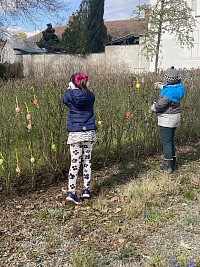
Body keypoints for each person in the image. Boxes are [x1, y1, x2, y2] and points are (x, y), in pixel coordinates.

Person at [63, 73, 97, 204]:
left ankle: (71, 192)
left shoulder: (70, 95)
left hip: (75, 134)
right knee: (87, 162)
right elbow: (87, 95)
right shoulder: (91, 96)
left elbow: (65, 100)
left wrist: (70, 89)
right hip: (88, 133)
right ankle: (86, 190)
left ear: (72, 84)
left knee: (75, 163)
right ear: (86, 83)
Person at [150, 66, 186, 174]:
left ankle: (167, 166)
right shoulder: (178, 88)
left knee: (166, 142)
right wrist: (159, 85)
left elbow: (160, 105)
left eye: (165, 79)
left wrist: (152, 107)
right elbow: (169, 88)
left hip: (167, 119)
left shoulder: (168, 94)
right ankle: (172, 163)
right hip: (175, 117)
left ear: (168, 79)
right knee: (170, 141)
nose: (164, 80)